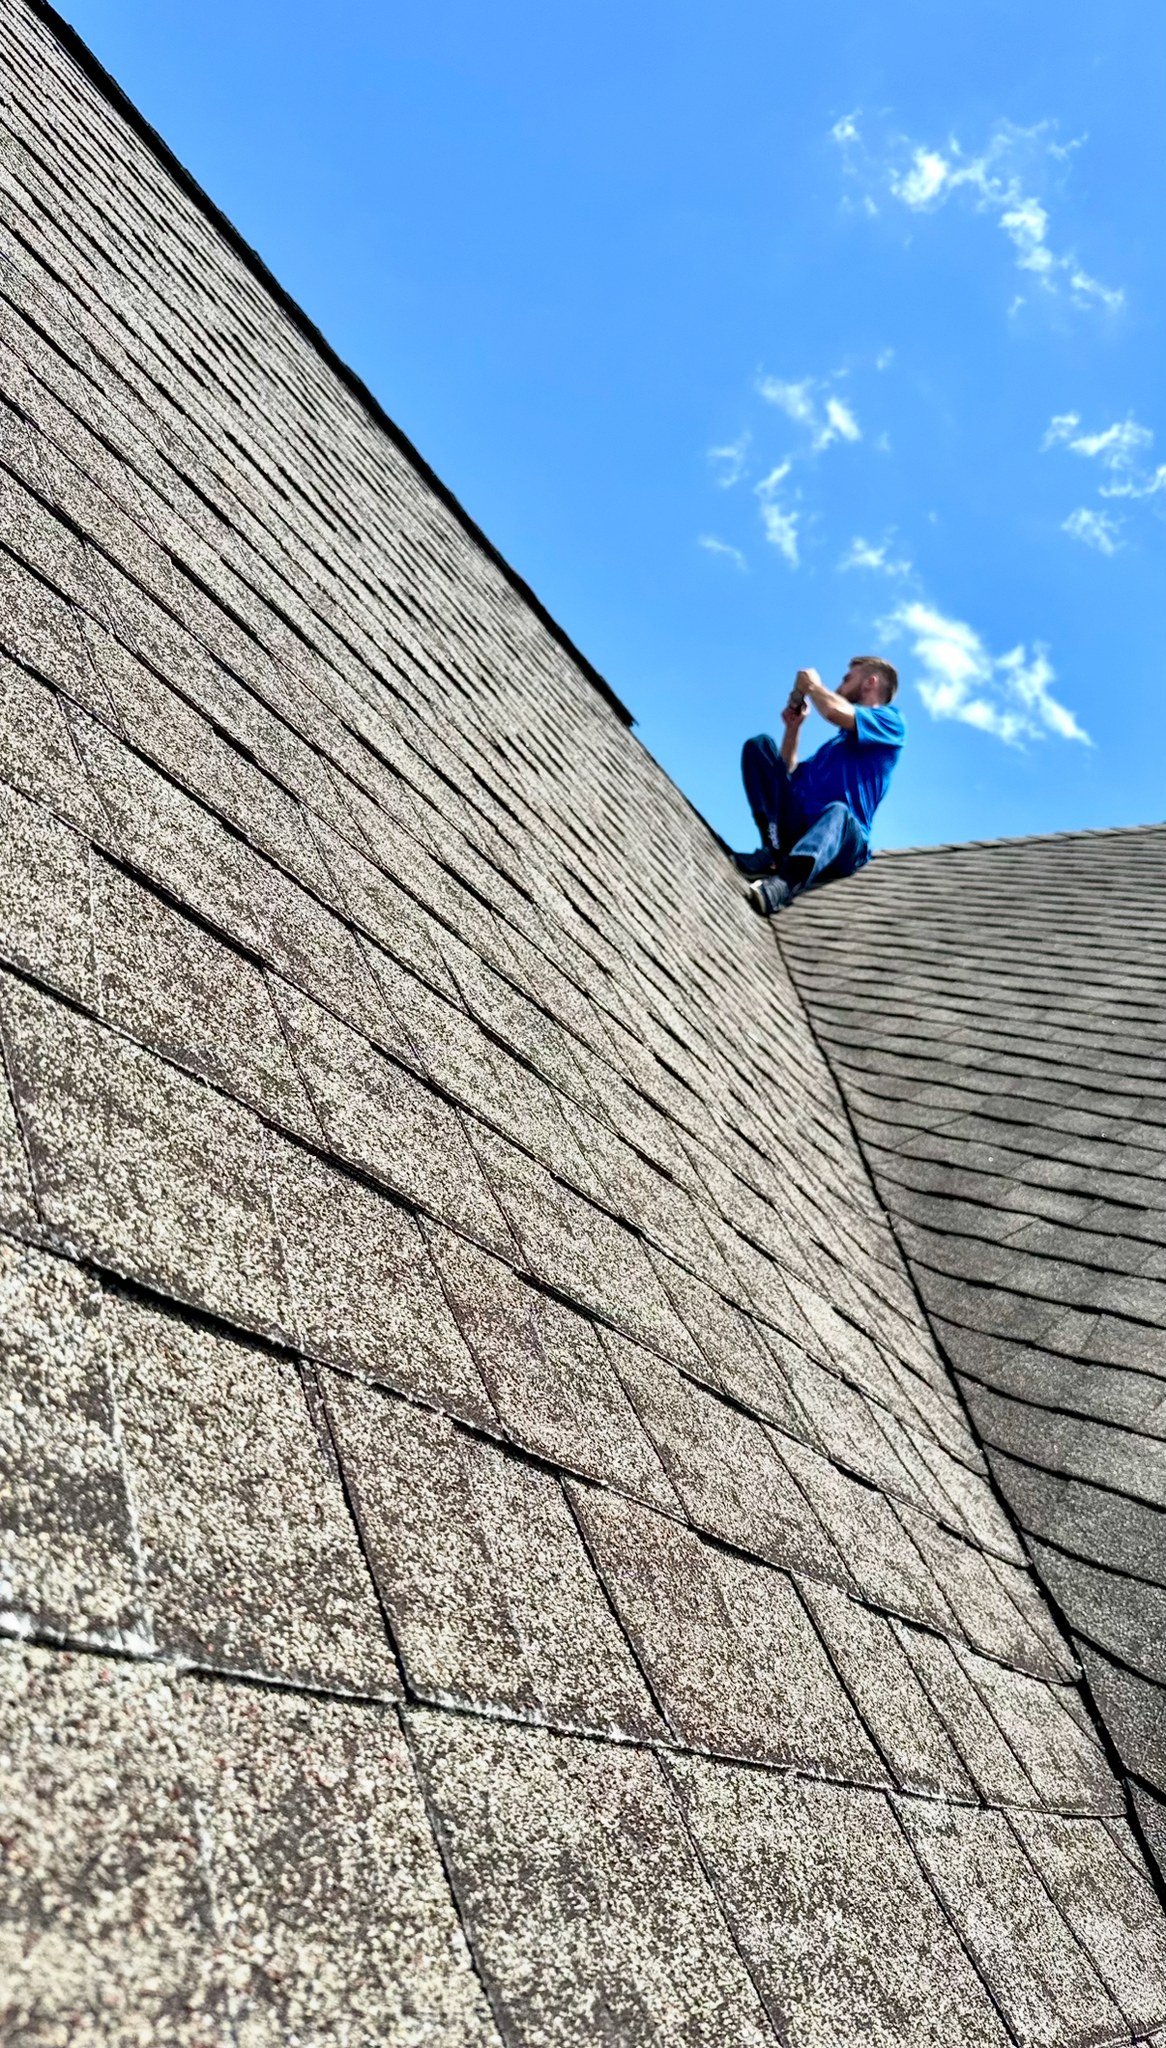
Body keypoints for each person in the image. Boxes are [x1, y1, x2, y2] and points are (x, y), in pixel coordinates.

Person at [733, 655, 904, 916]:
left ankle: (784, 885)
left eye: (848, 678)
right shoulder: (834, 748)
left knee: (839, 812)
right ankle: (773, 850)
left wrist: (812, 687)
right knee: (760, 747)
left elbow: (834, 712)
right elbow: (787, 773)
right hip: (799, 827)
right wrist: (793, 728)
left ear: (871, 681)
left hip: (844, 841)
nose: (841, 683)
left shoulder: (891, 722)